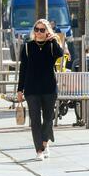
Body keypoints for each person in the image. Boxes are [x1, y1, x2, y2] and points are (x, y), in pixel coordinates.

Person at [17, 19, 63, 161]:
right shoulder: (27, 47)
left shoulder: (51, 46)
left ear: (47, 31)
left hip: (49, 88)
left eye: (42, 30)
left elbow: (60, 54)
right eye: (36, 29)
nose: (38, 32)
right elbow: (23, 69)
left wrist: (53, 40)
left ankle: (45, 142)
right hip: (32, 89)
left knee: (49, 119)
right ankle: (39, 150)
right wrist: (20, 89)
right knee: (35, 120)